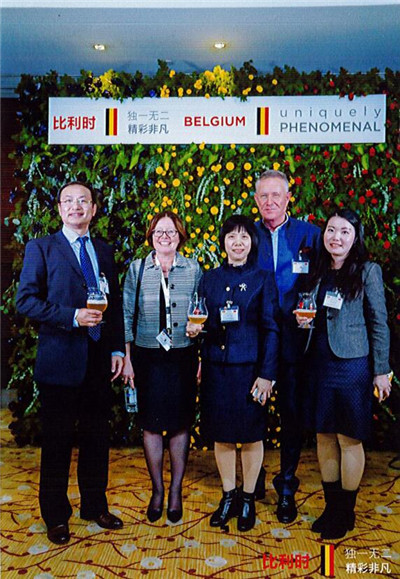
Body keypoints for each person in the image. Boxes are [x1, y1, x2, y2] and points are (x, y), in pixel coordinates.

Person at [16, 181, 125, 545]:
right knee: (57, 443)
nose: (76, 206)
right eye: (68, 201)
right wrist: (72, 316)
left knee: (96, 438)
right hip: (60, 361)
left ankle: (94, 506)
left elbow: (114, 304)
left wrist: (117, 350)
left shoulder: (104, 251)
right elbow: (25, 301)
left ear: (93, 209)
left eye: (83, 201)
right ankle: (55, 516)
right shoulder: (42, 248)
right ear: (60, 209)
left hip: (98, 361)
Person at [295, 208, 391, 539]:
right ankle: (331, 507)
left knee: (349, 438)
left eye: (344, 231)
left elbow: (379, 322)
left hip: (352, 366)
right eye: (331, 230)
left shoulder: (367, 271)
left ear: (355, 237)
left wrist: (381, 370)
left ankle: (345, 511)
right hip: (318, 364)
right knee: (324, 437)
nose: (336, 237)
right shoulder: (316, 269)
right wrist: (302, 322)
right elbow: (309, 311)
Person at [187, 215, 280, 532]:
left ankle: (248, 497)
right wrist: (196, 332)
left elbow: (271, 329)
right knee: (222, 435)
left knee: (252, 436)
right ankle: (228, 495)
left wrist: (267, 374)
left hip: (250, 371)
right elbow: (206, 322)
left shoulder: (263, 278)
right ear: (223, 242)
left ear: (252, 242)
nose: (237, 242)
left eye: (243, 236)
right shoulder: (209, 278)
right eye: (231, 236)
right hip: (216, 368)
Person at [122, 210, 202, 524]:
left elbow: (202, 313)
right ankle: (157, 490)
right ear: (151, 237)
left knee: (180, 424)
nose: (165, 237)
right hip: (147, 356)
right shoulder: (138, 268)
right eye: (159, 232)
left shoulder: (192, 268)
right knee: (151, 425)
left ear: (180, 237)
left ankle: (176, 491)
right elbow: (126, 315)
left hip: (183, 356)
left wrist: (201, 354)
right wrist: (127, 359)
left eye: (170, 232)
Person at [254, 169, 321, 523]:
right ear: (256, 200)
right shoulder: (247, 234)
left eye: (276, 195)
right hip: (257, 340)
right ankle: (254, 479)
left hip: (297, 340)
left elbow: (323, 281)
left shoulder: (310, 234)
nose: (270, 202)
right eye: (263, 196)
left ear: (288, 198)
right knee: (254, 410)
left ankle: (286, 488)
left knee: (292, 414)